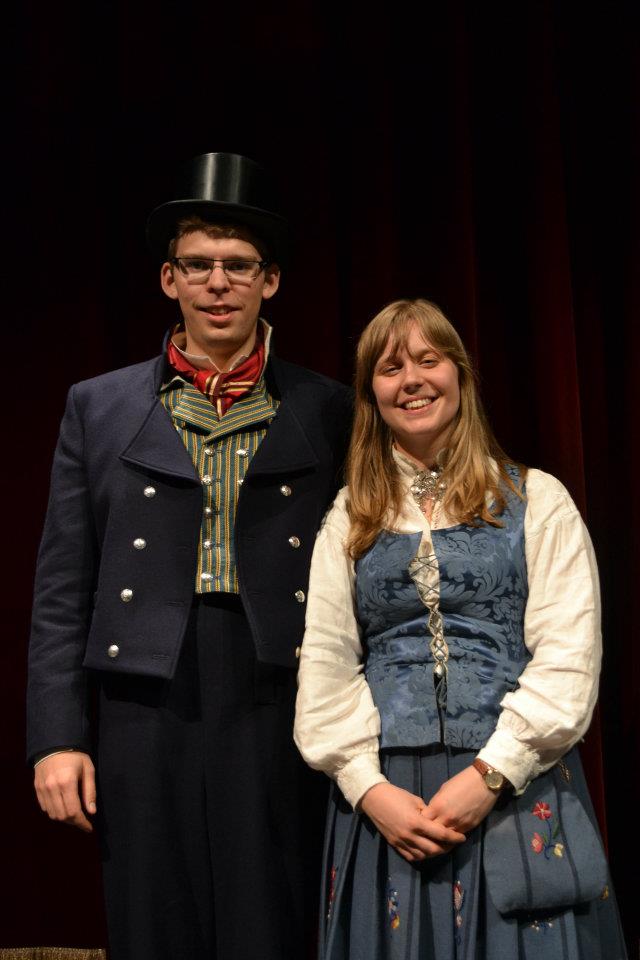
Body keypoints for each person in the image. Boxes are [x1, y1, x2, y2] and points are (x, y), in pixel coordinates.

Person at [27, 152, 352, 960]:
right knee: (153, 912)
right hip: (144, 687)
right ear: (169, 279)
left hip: (278, 681)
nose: (218, 283)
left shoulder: (326, 407)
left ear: (269, 281)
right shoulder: (99, 405)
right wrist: (57, 737)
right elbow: (63, 585)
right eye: (199, 264)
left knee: (271, 911)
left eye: (238, 265)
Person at [294, 299, 627, 959]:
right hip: (390, 799)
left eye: (428, 360)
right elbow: (326, 662)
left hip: (512, 782)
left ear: (460, 374)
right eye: (391, 368)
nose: (412, 380)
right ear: (370, 394)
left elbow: (569, 653)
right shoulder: (351, 515)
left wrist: (492, 773)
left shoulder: (537, 499)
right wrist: (368, 789)